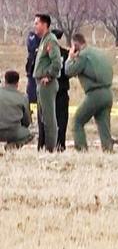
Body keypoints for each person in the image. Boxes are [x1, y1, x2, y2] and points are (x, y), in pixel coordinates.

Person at [64, 33, 114, 152]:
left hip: (95, 94)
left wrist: (70, 58)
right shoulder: (97, 52)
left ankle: (82, 150)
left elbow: (68, 71)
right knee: (104, 126)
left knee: (77, 121)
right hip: (108, 93)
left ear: (75, 45)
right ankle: (108, 150)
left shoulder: (83, 56)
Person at [31, 14, 62, 153]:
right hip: (40, 84)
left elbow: (57, 63)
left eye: (37, 23)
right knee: (42, 117)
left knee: (49, 118)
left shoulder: (51, 40)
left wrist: (48, 75)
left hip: (47, 85)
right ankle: (44, 146)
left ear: (45, 24)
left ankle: (51, 148)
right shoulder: (43, 40)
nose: (35, 26)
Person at [37, 30, 69, 151]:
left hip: (46, 90)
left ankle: (43, 146)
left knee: (44, 120)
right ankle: (60, 146)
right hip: (61, 91)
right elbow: (68, 72)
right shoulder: (65, 53)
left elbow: (31, 69)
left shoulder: (41, 53)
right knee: (61, 121)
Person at [0, 70, 32, 149]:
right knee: (28, 134)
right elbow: (27, 122)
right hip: (13, 132)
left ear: (5, 81)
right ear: (17, 83)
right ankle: (12, 146)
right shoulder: (23, 98)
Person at [25, 30, 39, 122]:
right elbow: (31, 48)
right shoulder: (32, 36)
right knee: (31, 92)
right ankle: (28, 116)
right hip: (32, 67)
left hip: (37, 69)